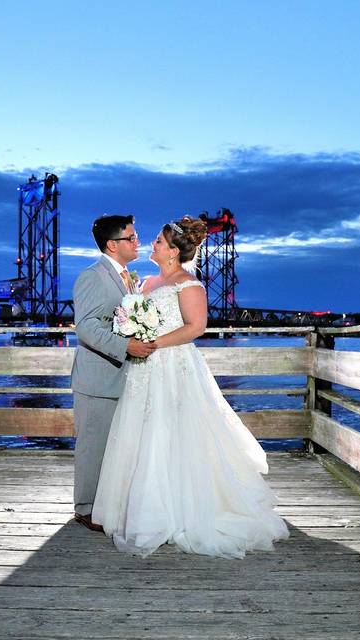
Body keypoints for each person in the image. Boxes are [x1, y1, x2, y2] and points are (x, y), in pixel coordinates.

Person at [92, 215, 289, 558]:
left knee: (176, 433)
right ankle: (142, 508)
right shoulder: (147, 282)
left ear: (172, 252)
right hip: (144, 370)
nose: (150, 244)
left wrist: (154, 341)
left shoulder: (189, 284)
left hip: (173, 365)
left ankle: (182, 510)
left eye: (157, 241)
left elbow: (196, 327)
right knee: (143, 433)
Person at [71, 214, 157, 532]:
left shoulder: (127, 277)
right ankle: (86, 509)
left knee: (115, 445)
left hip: (122, 379)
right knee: (93, 445)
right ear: (112, 244)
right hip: (97, 379)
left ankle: (111, 502)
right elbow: (87, 328)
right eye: (131, 238)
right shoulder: (92, 276)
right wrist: (126, 348)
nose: (137, 242)